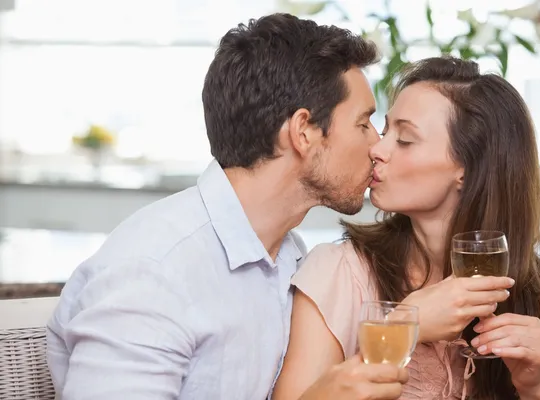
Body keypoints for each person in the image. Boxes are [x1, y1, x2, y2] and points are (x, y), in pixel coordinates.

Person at [46, 13, 410, 400]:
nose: (376, 145)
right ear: (303, 131)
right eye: (363, 123)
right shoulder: (154, 272)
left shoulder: (289, 256)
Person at [273, 56, 540, 400]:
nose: (377, 149)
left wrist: (532, 388)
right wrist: (402, 328)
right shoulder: (338, 275)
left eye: (405, 139)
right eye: (385, 131)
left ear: (467, 169)